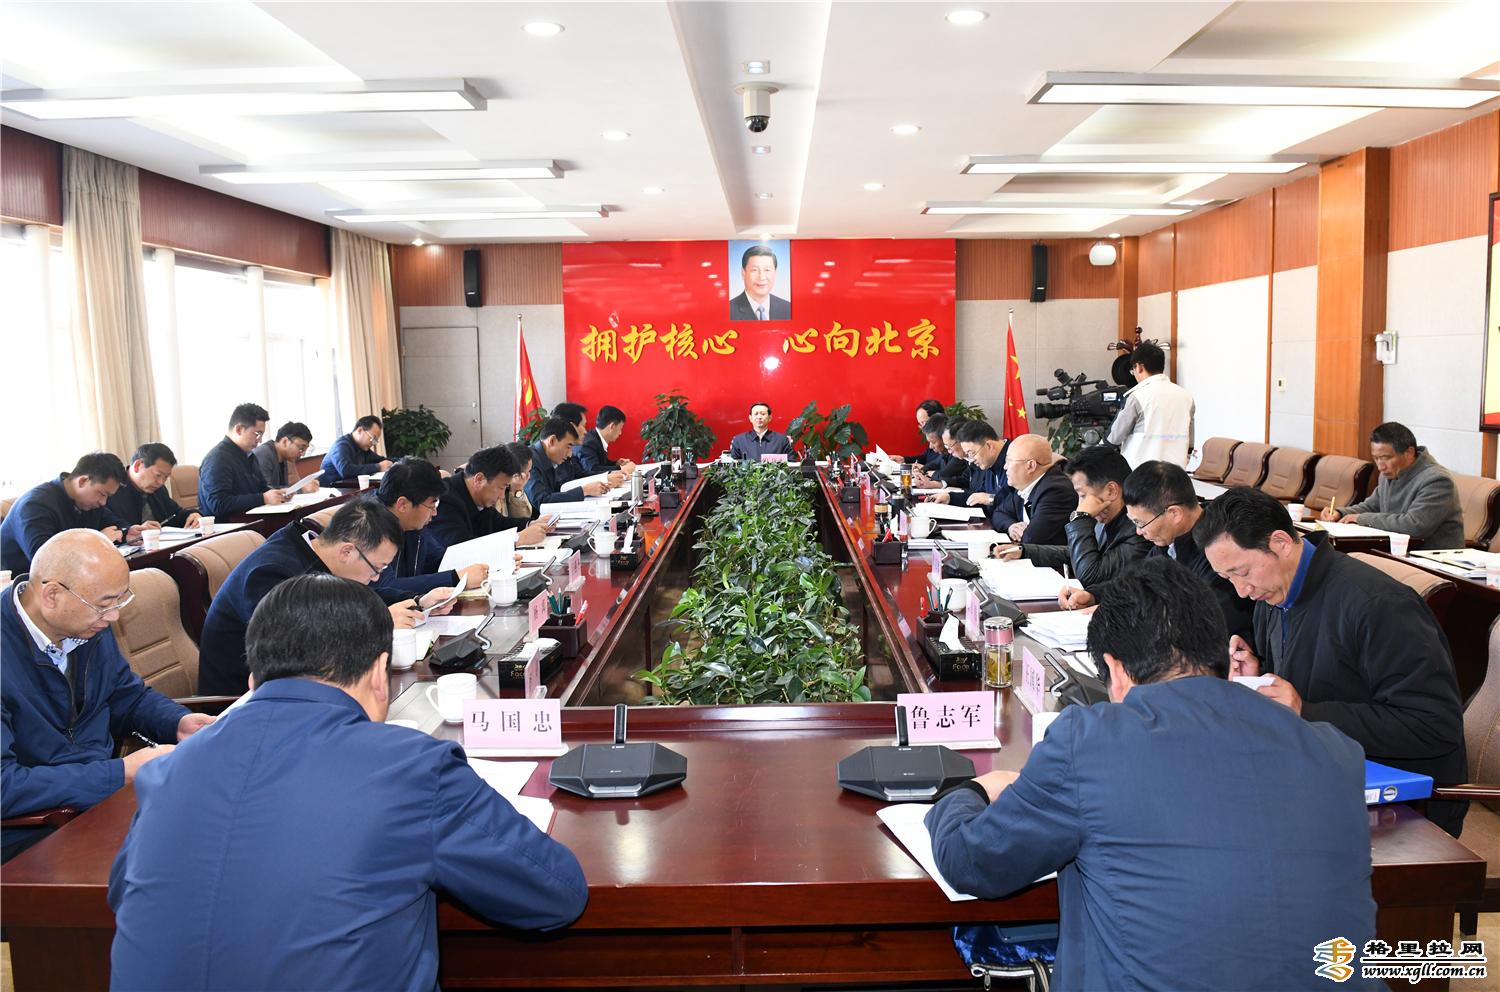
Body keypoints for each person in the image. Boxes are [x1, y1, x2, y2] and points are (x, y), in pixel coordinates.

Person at [107, 574, 588, 991]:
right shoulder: (410, 767)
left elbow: (122, 893)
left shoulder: (166, 772)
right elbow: (555, 894)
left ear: (253, 679)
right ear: (380, 672)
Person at [926, 558, 1377, 991]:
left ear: (1116, 670)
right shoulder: (1336, 752)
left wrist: (971, 792)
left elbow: (971, 862)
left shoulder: (1091, 742)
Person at [1198, 486, 1467, 836]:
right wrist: (1259, 675)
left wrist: (1305, 712)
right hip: (1320, 771)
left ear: (1280, 543)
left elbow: (1434, 725)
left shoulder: (1377, 605)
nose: (1241, 591)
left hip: (1399, 804)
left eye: (1243, 572)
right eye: (1227, 578)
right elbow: (1312, 679)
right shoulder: (1273, 595)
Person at [2, 530, 213, 860]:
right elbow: (5, 787)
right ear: (52, 595)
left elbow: (122, 695)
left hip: (100, 799)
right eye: (104, 605)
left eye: (119, 602)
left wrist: (177, 722)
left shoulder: (85, 623)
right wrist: (119, 774)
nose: (114, 616)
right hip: (34, 831)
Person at [197, 499, 430, 696]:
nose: (377, 578)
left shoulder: (315, 553)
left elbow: (364, 595)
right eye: (377, 568)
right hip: (243, 700)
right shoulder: (271, 573)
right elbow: (298, 647)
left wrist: (417, 600)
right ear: (347, 551)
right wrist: (381, 622)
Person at [1061, 460, 1253, 639]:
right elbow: (1138, 583)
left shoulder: (1218, 550)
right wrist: (1094, 595)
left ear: (1174, 514)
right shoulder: (1168, 542)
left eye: (1141, 523)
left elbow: (1202, 624)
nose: (1138, 531)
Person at [998, 445, 1150, 587]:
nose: (1080, 505)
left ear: (1111, 491)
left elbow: (1089, 577)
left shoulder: (1140, 530)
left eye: (1083, 495)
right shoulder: (1106, 515)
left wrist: (1080, 518)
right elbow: (1076, 553)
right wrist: (1024, 551)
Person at [1320, 421, 1465, 550]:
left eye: (1385, 458)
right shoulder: (1388, 473)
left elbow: (1414, 526)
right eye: (1376, 458)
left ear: (1409, 453)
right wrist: (1340, 513)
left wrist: (1360, 519)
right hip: (1396, 550)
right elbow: (1372, 506)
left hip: (1432, 558)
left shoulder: (1437, 480)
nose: (1380, 466)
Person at [424, 446, 554, 574]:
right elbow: (460, 549)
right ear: (479, 479)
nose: (502, 495)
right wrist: (517, 539)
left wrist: (530, 524)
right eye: (502, 487)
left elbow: (498, 522)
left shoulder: (476, 495)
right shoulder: (445, 500)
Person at [372, 458, 490, 599]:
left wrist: (486, 561)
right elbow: (385, 586)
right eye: (431, 505)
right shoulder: (369, 527)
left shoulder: (412, 523)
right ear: (403, 505)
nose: (434, 513)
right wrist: (456, 577)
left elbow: (439, 559)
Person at [1, 452, 134, 573]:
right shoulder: (35, 505)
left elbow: (114, 525)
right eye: (102, 494)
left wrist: (128, 532)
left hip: (69, 577)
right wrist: (98, 541)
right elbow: (44, 559)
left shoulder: (88, 503)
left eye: (108, 496)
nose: (103, 502)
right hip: (19, 582)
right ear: (83, 481)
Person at [1105, 341, 1195, 467]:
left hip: (1141, 472)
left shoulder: (1137, 396)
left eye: (1133, 370)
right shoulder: (1186, 397)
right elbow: (1190, 443)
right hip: (1176, 471)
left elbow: (1114, 438)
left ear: (1139, 367)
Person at [199, 402, 288, 517]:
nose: (260, 440)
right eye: (257, 434)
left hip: (251, 520)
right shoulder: (217, 459)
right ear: (239, 429)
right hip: (227, 525)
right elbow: (218, 504)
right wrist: (263, 498)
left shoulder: (249, 456)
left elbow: (261, 488)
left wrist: (278, 493)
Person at [990, 434, 1072, 546]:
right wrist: (1011, 526)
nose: (1005, 467)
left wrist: (1025, 533)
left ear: (1031, 466)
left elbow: (1032, 539)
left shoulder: (1056, 491)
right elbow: (998, 513)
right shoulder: (1025, 484)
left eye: (1009, 461)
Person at [106, 443, 201, 532]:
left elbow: (175, 514)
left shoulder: (158, 489)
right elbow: (109, 529)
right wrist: (134, 531)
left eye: (166, 477)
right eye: (158, 475)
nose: (161, 482)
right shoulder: (111, 489)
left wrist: (192, 515)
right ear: (138, 466)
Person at [529, 419, 612, 506]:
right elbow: (541, 501)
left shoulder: (548, 459)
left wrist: (591, 488)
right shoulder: (530, 461)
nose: (569, 454)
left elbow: (559, 490)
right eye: (568, 446)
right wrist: (584, 491)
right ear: (552, 440)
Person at [320, 414, 392, 485]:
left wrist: (397, 462)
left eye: (375, 440)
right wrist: (378, 467)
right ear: (360, 430)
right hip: (332, 489)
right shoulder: (341, 445)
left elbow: (381, 460)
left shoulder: (362, 447)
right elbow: (346, 470)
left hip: (350, 487)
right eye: (373, 438)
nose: (373, 443)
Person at [728, 244, 790, 321]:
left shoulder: (787, 308)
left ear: (775, 273)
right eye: (754, 270)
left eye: (767, 270)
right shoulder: (729, 311)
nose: (762, 277)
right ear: (743, 273)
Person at [252, 421, 316, 491]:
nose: (303, 454)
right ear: (285, 442)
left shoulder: (284, 457)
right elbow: (265, 491)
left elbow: (281, 488)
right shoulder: (263, 454)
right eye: (301, 448)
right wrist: (301, 489)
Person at [578, 405, 638, 476]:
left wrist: (615, 464)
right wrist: (621, 468)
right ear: (612, 426)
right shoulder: (589, 443)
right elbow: (592, 469)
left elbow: (600, 464)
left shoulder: (595, 438)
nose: (620, 433)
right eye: (620, 428)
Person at [900, 399, 946, 468]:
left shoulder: (946, 442)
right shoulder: (933, 438)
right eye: (921, 423)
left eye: (925, 422)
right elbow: (926, 457)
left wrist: (924, 468)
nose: (923, 427)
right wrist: (904, 459)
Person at [910, 414, 949, 489]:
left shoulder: (956, 455)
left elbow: (947, 474)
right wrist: (922, 470)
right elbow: (933, 464)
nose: (930, 446)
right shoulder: (944, 454)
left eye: (933, 442)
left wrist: (931, 473)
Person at [504, 442, 537, 520]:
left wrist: (517, 490)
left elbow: (525, 517)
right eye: (528, 471)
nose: (529, 476)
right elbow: (522, 517)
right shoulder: (496, 490)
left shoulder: (514, 486)